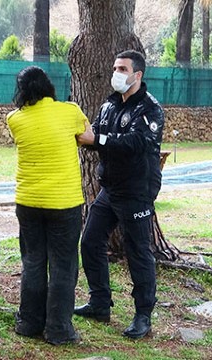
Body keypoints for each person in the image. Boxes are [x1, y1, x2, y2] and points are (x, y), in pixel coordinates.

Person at [74, 50, 164, 339]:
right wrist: (82, 135)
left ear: (137, 75)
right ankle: (100, 303)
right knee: (89, 242)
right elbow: (98, 135)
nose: (117, 73)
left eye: (122, 68)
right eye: (115, 67)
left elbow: (135, 143)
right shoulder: (110, 105)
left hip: (137, 192)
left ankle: (143, 316)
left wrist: (96, 139)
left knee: (138, 251)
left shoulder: (150, 109)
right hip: (110, 189)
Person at [6, 66, 91, 345]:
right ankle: (58, 330)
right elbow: (85, 136)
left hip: (28, 202)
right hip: (63, 203)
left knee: (33, 261)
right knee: (63, 266)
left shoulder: (14, 119)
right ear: (48, 87)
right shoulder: (70, 112)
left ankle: (29, 323)